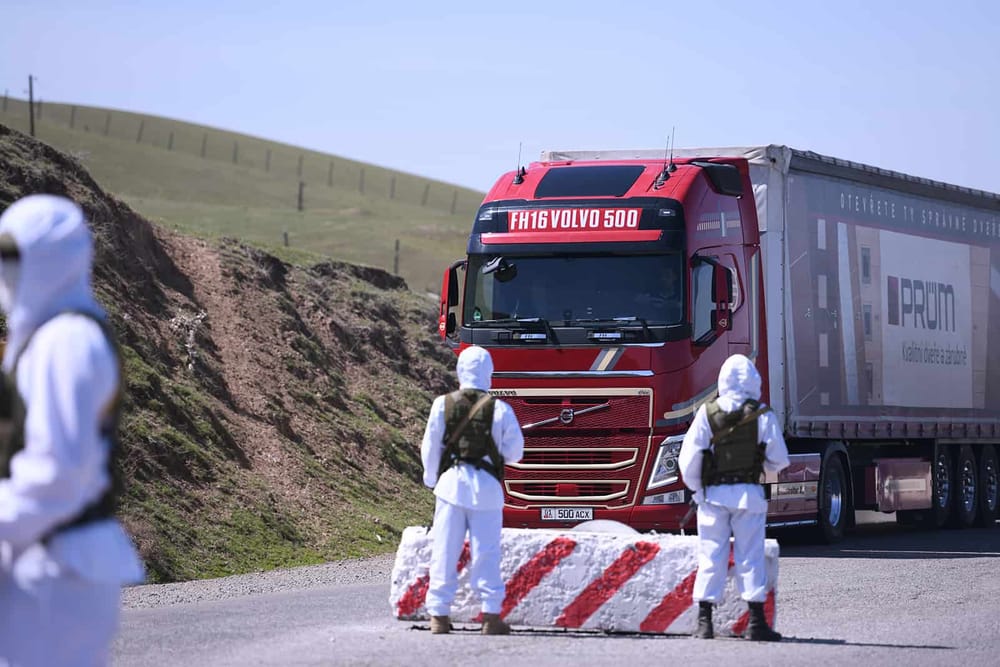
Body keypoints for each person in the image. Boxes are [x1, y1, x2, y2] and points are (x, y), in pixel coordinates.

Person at [0, 195, 145, 665]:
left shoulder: (67, 341)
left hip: (55, 570)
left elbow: (57, 474)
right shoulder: (50, 336)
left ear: (49, 258)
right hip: (43, 562)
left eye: (10, 254)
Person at [678, 353, 789, 641]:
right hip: (749, 496)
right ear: (754, 380)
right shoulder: (762, 414)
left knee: (710, 556)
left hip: (713, 497)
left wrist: (699, 491)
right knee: (750, 557)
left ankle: (705, 623)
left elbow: (688, 460)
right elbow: (778, 460)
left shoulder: (707, 412)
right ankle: (756, 623)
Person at [420, 345, 524, 635]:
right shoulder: (501, 409)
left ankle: (439, 616)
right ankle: (491, 615)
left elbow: (430, 447)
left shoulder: (442, 404)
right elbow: (515, 453)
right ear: (489, 373)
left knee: (444, 550)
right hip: (487, 490)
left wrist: (431, 479)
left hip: (450, 487)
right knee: (487, 552)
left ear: (460, 371)